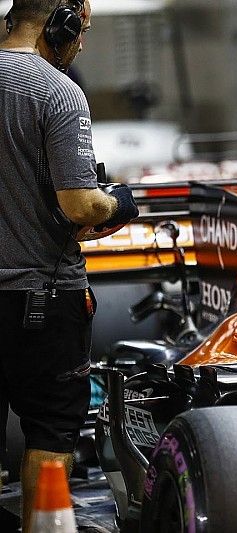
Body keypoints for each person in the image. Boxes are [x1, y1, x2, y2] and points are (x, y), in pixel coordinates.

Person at [0, 0, 138, 530]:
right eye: (80, 30)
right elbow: (80, 206)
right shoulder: (58, 92)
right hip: (42, 299)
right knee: (51, 431)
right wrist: (120, 203)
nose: (81, 43)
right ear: (59, 22)